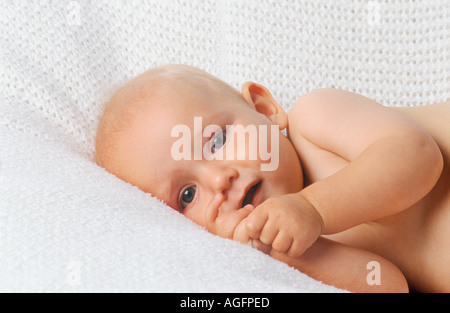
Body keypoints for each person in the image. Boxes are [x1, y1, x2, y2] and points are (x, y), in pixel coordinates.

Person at [95, 64, 449, 292]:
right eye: (187, 195)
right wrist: (281, 252)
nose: (220, 180)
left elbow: (418, 156)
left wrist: (313, 207)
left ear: (264, 110)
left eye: (217, 140)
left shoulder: (315, 120)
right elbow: (389, 285)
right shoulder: (292, 247)